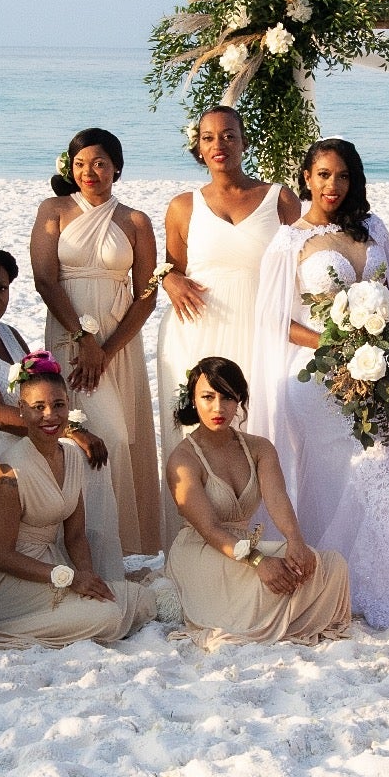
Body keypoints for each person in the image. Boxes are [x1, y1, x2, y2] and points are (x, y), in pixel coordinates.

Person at [246, 138, 389, 629]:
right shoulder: (289, 240)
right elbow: (273, 319)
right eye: (324, 175)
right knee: (330, 473)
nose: (333, 185)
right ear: (306, 179)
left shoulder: (372, 228)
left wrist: (387, 341)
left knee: (379, 468)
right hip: (315, 375)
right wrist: (333, 349)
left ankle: (382, 586)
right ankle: (327, 582)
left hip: (376, 368)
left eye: (344, 176)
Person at [0, 249, 126, 585]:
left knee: (84, 459)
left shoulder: (9, 333)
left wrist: (65, 429)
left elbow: (37, 392)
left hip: (23, 428)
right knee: (71, 451)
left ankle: (92, 568)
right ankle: (38, 568)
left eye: (2, 288)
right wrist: (67, 430)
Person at [154, 106, 300, 523]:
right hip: (195, 331)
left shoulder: (279, 198)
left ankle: (264, 533)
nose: (219, 145)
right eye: (208, 137)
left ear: (244, 141)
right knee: (196, 432)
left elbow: (307, 260)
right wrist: (170, 281)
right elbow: (170, 266)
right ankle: (197, 541)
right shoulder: (183, 206)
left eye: (228, 136)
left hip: (259, 330)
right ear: (198, 146)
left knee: (260, 427)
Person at [32, 128, 163, 557]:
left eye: (100, 163)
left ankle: (126, 546)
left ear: (117, 169)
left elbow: (147, 294)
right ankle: (81, 544)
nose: (90, 172)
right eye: (81, 164)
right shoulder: (53, 210)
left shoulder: (135, 220)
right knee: (84, 432)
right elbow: (45, 279)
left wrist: (106, 349)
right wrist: (82, 339)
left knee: (123, 440)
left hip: (118, 340)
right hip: (70, 332)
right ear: (70, 169)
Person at [164, 357, 352, 645]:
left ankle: (279, 612)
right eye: (208, 397)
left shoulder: (259, 447)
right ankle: (265, 615)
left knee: (330, 564)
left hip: (246, 546)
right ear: (193, 400)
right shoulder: (183, 458)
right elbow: (210, 528)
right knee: (266, 582)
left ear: (240, 399)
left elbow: (277, 498)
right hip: (202, 550)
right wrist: (259, 561)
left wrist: (295, 540)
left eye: (228, 397)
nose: (219, 407)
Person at [0, 360, 158, 647]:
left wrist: (86, 576)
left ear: (68, 405)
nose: (50, 416)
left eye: (58, 405)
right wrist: (67, 578)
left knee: (140, 599)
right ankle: (4, 627)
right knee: (108, 616)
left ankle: (79, 612)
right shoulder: (10, 474)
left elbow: (75, 535)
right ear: (21, 410)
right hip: (11, 578)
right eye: (38, 407)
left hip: (55, 566)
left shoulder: (71, 456)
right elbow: (1, 556)